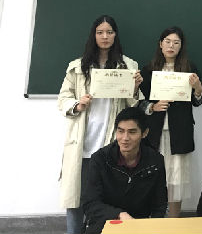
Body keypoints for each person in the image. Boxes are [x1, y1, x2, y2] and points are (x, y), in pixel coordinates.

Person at [57, 15, 142, 234]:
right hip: (82, 143)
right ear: (93, 35)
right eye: (100, 32)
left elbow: (133, 106)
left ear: (115, 35)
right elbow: (63, 98)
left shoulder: (128, 65)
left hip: (111, 143)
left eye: (109, 32)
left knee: (108, 200)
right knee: (76, 199)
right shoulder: (77, 67)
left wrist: (134, 89)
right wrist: (78, 104)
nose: (105, 36)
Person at [139, 27, 202, 217]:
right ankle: (155, 220)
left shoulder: (189, 68)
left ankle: (174, 222)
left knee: (177, 179)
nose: (171, 46)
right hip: (154, 133)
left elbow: (198, 101)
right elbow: (138, 101)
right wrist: (152, 107)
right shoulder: (148, 70)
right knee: (154, 176)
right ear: (160, 44)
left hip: (180, 132)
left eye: (176, 42)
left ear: (181, 46)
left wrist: (198, 88)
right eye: (167, 41)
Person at [81, 107, 167, 234]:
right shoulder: (100, 159)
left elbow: (160, 205)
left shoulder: (155, 160)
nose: (125, 138)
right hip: (105, 223)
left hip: (140, 225)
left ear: (144, 133)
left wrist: (151, 228)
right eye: (120, 131)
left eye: (132, 132)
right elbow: (90, 203)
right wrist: (119, 214)